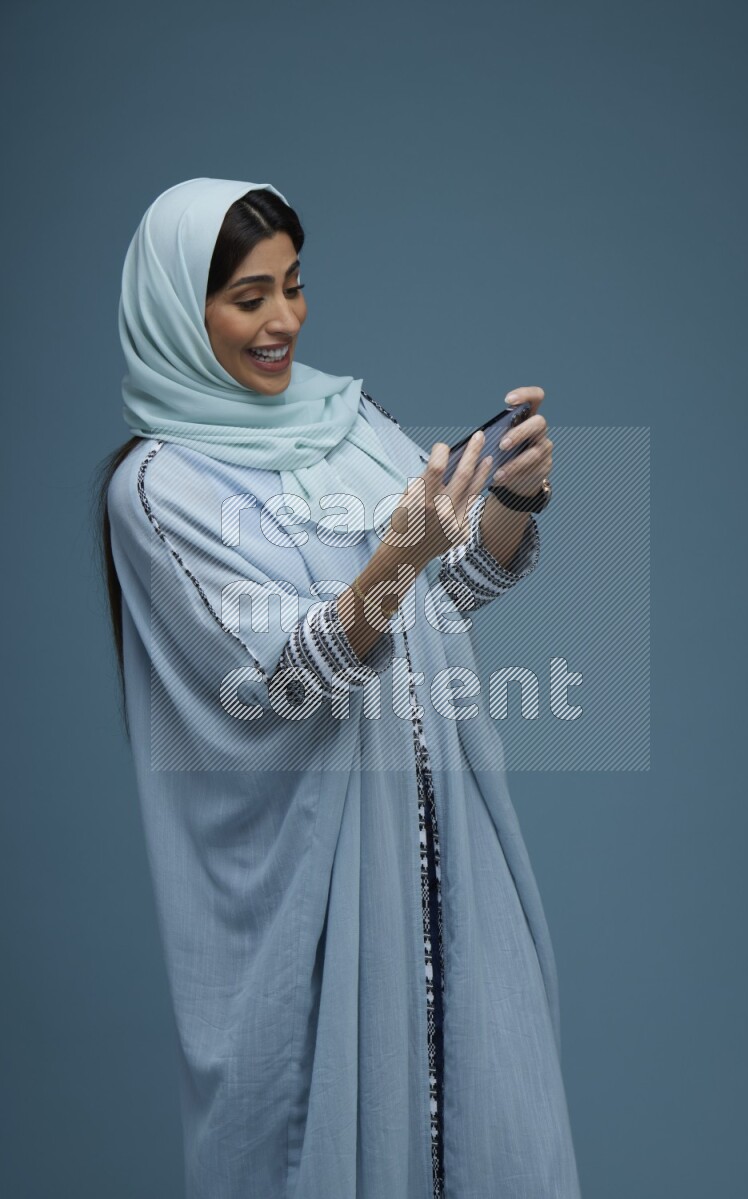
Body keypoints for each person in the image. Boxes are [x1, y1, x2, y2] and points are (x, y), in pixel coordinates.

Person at [94, 177, 582, 1198]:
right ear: (180, 313)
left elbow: (446, 595)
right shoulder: (160, 488)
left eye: (294, 285)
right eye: (249, 297)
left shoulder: (346, 420)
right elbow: (289, 678)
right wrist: (397, 555)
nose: (284, 319)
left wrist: (511, 498)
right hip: (312, 887)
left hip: (449, 853)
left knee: (495, 1124)